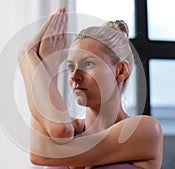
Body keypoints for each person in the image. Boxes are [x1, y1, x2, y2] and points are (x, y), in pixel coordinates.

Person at [18, 7, 163, 169]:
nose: (74, 76)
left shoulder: (144, 131)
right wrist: (47, 68)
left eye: (88, 64)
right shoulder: (69, 130)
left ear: (121, 71)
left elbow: (43, 152)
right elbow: (54, 135)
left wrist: (26, 56)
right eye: (71, 67)